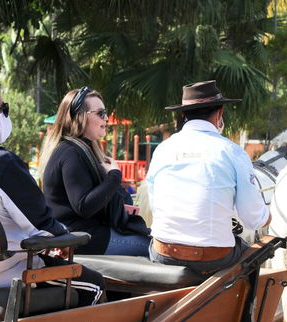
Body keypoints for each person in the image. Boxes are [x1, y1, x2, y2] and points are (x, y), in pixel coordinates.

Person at [0, 71, 105, 306]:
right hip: (1, 276)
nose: (5, 115)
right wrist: (64, 239)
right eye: (2, 109)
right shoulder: (0, 164)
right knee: (95, 285)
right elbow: (44, 227)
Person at [146, 80, 271, 277]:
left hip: (162, 252)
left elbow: (155, 204)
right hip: (212, 257)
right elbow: (252, 218)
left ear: (183, 114)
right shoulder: (231, 151)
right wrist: (269, 216)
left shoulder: (162, 149)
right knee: (254, 254)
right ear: (220, 114)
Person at [39, 87, 150, 256]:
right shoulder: (71, 153)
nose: (106, 118)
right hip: (84, 239)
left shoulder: (77, 149)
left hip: (86, 237)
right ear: (80, 117)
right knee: (157, 251)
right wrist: (114, 176)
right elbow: (84, 206)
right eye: (100, 113)